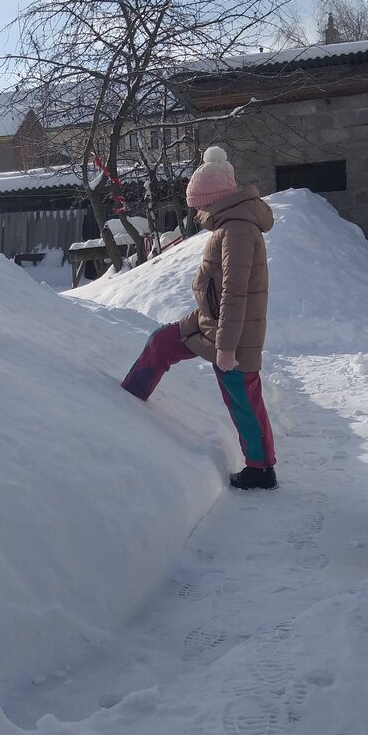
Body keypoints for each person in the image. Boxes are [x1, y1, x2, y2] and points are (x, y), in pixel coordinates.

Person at [121, 146, 277, 490]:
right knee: (161, 341)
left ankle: (261, 469)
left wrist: (225, 349)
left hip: (231, 333)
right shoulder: (228, 227)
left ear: (214, 199)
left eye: (200, 205)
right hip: (212, 322)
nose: (198, 212)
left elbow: (235, 295)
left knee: (241, 397)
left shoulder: (236, 231)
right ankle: (126, 402)